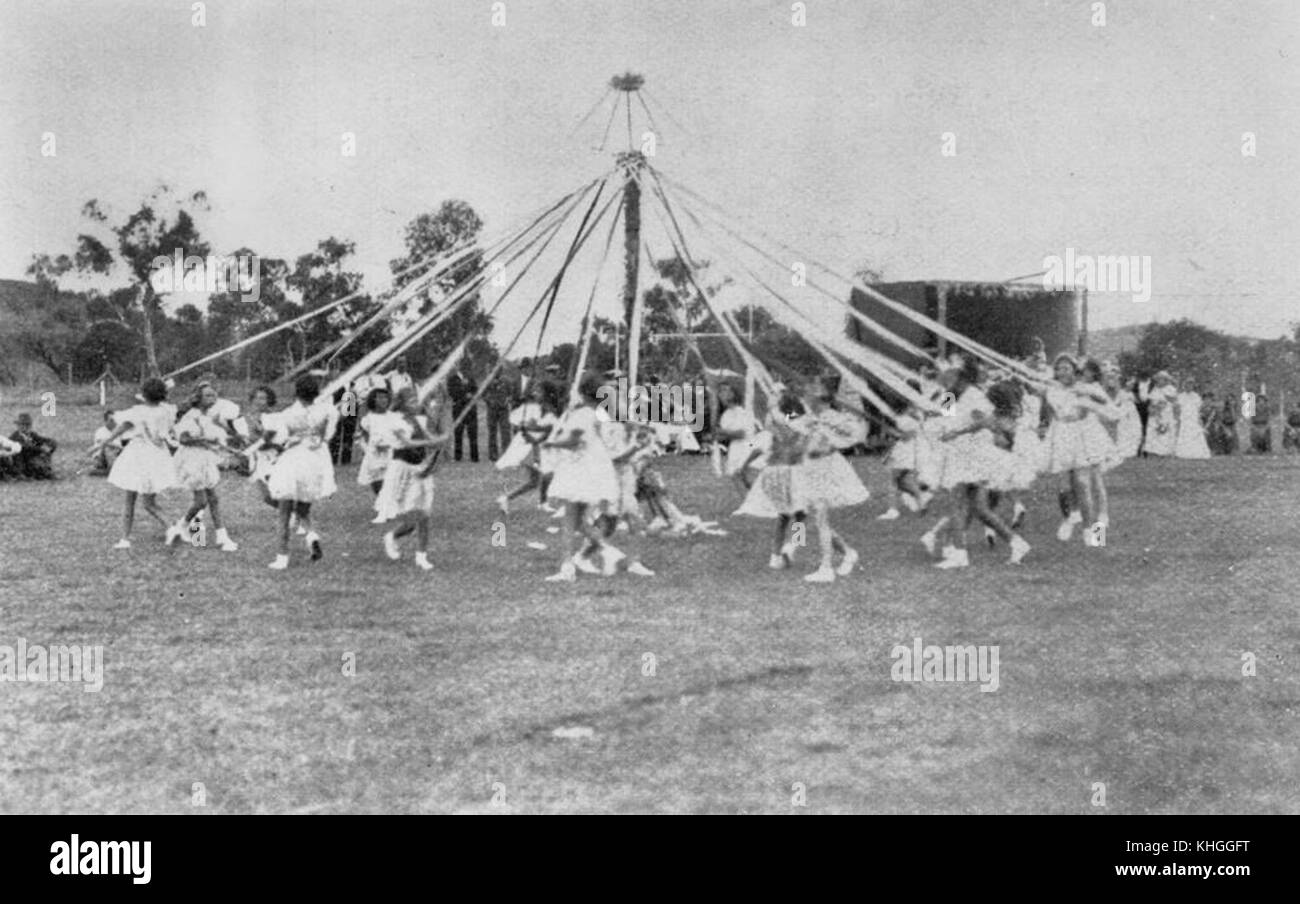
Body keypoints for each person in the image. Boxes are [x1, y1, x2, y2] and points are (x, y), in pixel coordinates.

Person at [926, 357, 1031, 568]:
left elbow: (986, 421)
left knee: (957, 502)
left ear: (961, 376)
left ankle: (959, 555)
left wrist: (958, 431)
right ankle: (1017, 543)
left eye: (950, 374)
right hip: (958, 454)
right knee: (980, 509)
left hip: (973, 455)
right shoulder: (950, 395)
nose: (945, 378)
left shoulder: (974, 395)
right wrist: (939, 426)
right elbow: (945, 421)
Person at [539, 373, 621, 582]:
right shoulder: (596, 412)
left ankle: (571, 565)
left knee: (570, 520)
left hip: (580, 469)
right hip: (594, 466)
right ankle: (600, 550)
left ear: (582, 393)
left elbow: (575, 442)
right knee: (578, 521)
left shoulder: (582, 414)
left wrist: (551, 444)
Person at [792, 375, 869, 582]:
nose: (806, 396)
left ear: (821, 396)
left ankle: (826, 568)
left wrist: (826, 441)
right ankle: (848, 553)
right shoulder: (810, 417)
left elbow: (853, 435)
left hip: (825, 469)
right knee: (816, 517)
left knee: (821, 518)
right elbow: (798, 440)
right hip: (809, 469)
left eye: (810, 392)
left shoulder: (832, 416)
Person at [92, 377, 180, 549]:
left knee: (129, 500)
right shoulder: (167, 411)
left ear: (144, 394)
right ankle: (171, 527)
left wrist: (102, 444)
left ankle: (125, 538)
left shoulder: (137, 412)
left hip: (138, 456)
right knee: (149, 503)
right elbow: (163, 403)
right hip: (157, 456)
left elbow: (121, 428)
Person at [264, 375, 339, 570]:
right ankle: (311, 535)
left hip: (294, 459)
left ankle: (282, 557)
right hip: (316, 460)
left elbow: (280, 439)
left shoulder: (287, 414)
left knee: (285, 510)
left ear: (296, 392)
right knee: (304, 506)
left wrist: (272, 441)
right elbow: (329, 436)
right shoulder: (327, 411)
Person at [1042, 354, 1113, 545]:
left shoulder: (1085, 387)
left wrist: (1082, 393)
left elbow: (1104, 403)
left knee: (1088, 484)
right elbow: (1057, 411)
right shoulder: (1053, 390)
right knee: (1065, 486)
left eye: (1066, 368)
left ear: (1075, 370)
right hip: (1062, 434)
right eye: (1059, 369)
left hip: (1085, 437)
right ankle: (1071, 518)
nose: (1062, 372)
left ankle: (1095, 533)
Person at [375, 388, 448, 570]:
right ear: (401, 402)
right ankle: (391, 537)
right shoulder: (394, 421)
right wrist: (429, 442)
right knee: (412, 519)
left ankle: (421, 556)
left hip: (420, 468)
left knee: (424, 515)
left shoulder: (419, 420)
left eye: (417, 400)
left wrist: (440, 439)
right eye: (411, 400)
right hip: (402, 471)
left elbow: (430, 438)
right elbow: (407, 443)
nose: (416, 403)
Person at [168, 382, 239, 552]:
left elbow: (215, 439)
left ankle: (222, 537)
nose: (212, 398)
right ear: (198, 398)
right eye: (208, 395)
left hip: (205, 458)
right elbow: (184, 439)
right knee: (201, 502)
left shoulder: (209, 416)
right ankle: (183, 528)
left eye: (214, 395)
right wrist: (206, 441)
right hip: (192, 459)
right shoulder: (191, 416)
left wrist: (227, 448)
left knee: (213, 499)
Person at [495, 380, 559, 513]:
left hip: (541, 445)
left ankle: (508, 498)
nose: (535, 393)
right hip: (531, 448)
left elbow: (548, 430)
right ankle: (543, 502)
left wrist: (534, 430)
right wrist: (525, 428)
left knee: (536, 480)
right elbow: (522, 425)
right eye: (535, 391)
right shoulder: (533, 408)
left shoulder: (551, 410)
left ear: (547, 394)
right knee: (546, 475)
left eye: (539, 391)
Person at [355, 387, 399, 517]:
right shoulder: (368, 418)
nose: (383, 400)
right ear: (373, 400)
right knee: (376, 479)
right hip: (373, 454)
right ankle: (382, 503)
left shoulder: (393, 417)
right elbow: (360, 436)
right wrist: (367, 449)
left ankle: (389, 504)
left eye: (385, 397)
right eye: (379, 397)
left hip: (390, 453)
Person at [6, 413, 58, 479]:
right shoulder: (14, 437)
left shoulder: (32, 435)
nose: (25, 427)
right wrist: (40, 449)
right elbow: (24, 448)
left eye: (28, 425)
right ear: (18, 426)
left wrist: (51, 444)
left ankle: (45, 470)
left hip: (32, 460)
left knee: (42, 460)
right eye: (22, 425)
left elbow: (42, 440)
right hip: (22, 463)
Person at [447, 364, 480, 462]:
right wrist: (464, 393)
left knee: (473, 433)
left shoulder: (470, 377)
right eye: (460, 366)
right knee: (458, 433)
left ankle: (474, 457)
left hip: (470, 409)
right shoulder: (452, 379)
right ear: (456, 367)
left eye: (464, 367)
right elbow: (451, 392)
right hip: (458, 409)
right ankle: (458, 457)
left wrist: (472, 394)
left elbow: (476, 389)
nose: (462, 369)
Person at [1173, 379, 1212, 459]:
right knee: (1185, 434)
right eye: (1187, 385)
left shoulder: (1196, 396)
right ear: (1184, 386)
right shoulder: (1181, 396)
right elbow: (1177, 408)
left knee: (1195, 434)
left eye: (1191, 385)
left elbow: (1199, 408)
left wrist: (1199, 417)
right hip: (1185, 418)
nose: (1189, 387)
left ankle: (1197, 452)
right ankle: (1183, 452)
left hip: (1193, 418)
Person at [1143, 371, 1178, 457]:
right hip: (1155, 412)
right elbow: (1151, 401)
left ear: (1165, 380)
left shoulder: (1171, 388)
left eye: (1161, 379)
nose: (1159, 381)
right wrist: (1153, 408)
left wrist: (1164, 400)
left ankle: (1166, 451)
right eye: (1158, 379)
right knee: (1154, 428)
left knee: (1166, 428)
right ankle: (1154, 451)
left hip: (1166, 411)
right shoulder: (1155, 389)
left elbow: (1174, 400)